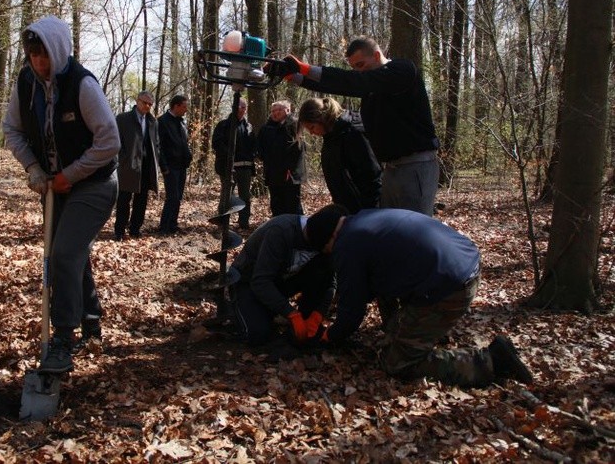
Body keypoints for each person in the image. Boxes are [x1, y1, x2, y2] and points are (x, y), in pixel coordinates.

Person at [2, 15, 120, 374]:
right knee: (71, 255)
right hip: (55, 186)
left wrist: (71, 174)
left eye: (45, 55)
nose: (40, 62)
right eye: (33, 54)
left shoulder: (82, 85)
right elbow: (12, 129)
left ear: (59, 50)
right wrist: (33, 169)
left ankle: (62, 339)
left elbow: (110, 140)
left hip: (95, 184)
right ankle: (90, 320)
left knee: (63, 254)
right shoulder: (25, 84)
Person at [304, 205, 534, 388]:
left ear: (329, 241)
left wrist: (330, 336)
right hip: (464, 261)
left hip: (450, 287)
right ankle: (416, 333)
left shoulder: (346, 246)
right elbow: (371, 285)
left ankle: (491, 361)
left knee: (398, 364)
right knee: (390, 314)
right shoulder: (365, 219)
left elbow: (352, 311)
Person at [281, 36, 440, 216]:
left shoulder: (402, 70)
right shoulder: (372, 89)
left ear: (377, 55)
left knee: (414, 228)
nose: (359, 71)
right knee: (390, 228)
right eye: (354, 67)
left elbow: (354, 82)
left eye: (361, 65)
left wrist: (304, 69)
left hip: (416, 165)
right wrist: (292, 76)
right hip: (392, 169)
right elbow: (346, 84)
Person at [229, 204, 344, 346]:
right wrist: (291, 314)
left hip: (281, 281)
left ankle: (305, 318)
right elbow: (260, 281)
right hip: (248, 282)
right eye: (334, 239)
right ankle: (242, 308)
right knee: (258, 334)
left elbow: (330, 282)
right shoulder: (280, 231)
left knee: (320, 272)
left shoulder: (325, 246)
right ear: (324, 234)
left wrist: (318, 314)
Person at [298, 97, 381, 212]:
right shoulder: (330, 138)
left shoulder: (352, 132)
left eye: (312, 127)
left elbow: (372, 174)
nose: (312, 133)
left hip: (366, 209)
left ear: (321, 118)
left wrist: (371, 211)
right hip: (347, 210)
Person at [114, 91, 161, 240]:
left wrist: (157, 160)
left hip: (146, 167)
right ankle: (119, 231)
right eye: (144, 102)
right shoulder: (123, 119)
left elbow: (156, 144)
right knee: (123, 200)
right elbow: (115, 141)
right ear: (137, 101)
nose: (147, 106)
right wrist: (121, 158)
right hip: (127, 165)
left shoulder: (153, 122)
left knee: (141, 201)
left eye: (150, 104)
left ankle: (135, 229)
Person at [212, 98, 257, 229]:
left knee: (245, 196)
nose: (242, 110)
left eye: (244, 107)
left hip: (246, 167)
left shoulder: (248, 126)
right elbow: (216, 144)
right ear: (234, 108)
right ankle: (223, 221)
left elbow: (254, 144)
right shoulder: (223, 125)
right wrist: (230, 155)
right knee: (226, 195)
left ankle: (244, 223)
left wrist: (252, 154)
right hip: (227, 168)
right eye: (239, 107)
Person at [258, 100, 306, 216]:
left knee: (292, 204)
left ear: (288, 110)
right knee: (276, 203)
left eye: (279, 110)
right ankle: (278, 228)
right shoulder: (266, 128)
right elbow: (260, 147)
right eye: (273, 111)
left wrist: (291, 168)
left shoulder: (294, 124)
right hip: (273, 172)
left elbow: (298, 149)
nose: (275, 113)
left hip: (290, 173)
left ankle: (296, 229)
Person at [157, 94, 192, 235]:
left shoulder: (182, 122)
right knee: (172, 196)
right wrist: (164, 167)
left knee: (178, 197)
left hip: (182, 165)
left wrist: (188, 157)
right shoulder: (162, 121)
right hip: (170, 167)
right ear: (176, 106)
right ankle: (163, 227)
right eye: (184, 107)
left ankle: (173, 224)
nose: (186, 110)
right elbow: (158, 146)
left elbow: (184, 143)